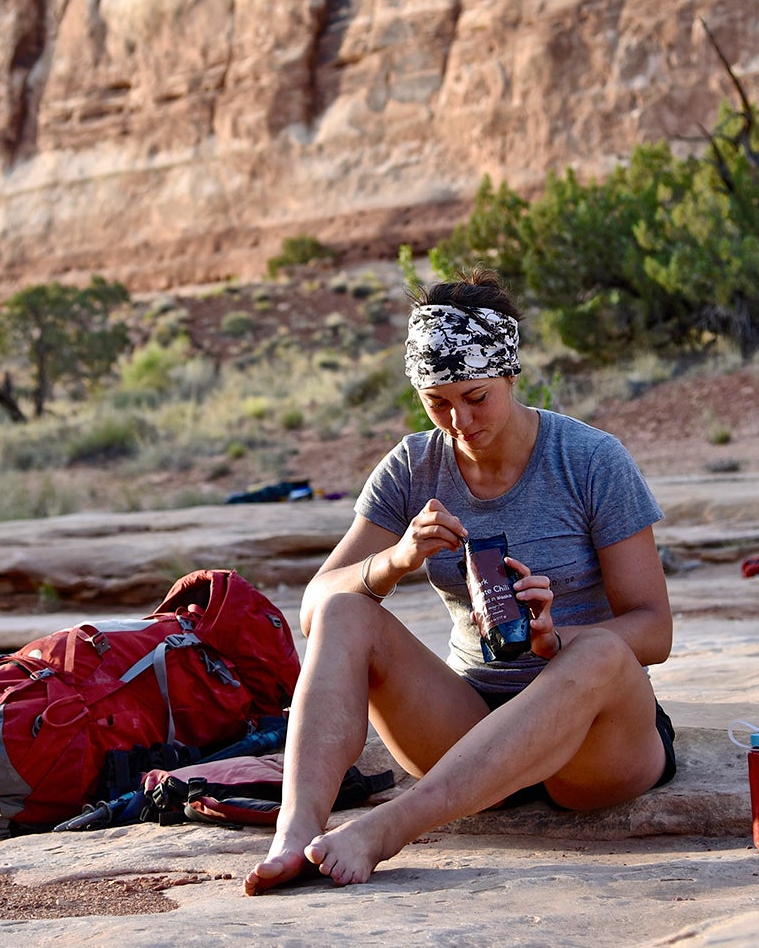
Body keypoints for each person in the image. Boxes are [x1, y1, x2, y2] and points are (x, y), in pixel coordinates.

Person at [245, 271, 675, 894]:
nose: (459, 421)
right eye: (437, 401)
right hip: (466, 725)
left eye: (476, 397)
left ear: (510, 373)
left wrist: (558, 638)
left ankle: (389, 829)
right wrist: (394, 560)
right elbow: (314, 609)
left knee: (605, 651)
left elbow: (654, 630)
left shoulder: (590, 461)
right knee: (345, 609)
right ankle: (295, 829)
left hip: (592, 742)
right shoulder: (415, 465)